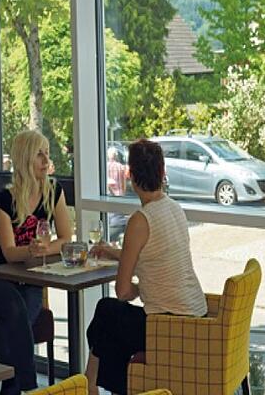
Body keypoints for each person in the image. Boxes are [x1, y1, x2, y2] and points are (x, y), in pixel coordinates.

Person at [85, 139, 207, 395]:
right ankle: (95, 386)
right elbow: (154, 256)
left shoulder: (140, 220)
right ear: (162, 172)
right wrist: (113, 252)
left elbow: (122, 292)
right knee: (107, 325)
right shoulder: (174, 208)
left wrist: (143, 289)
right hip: (195, 320)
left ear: (130, 175)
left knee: (106, 312)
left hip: (167, 327)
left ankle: (92, 385)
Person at [0, 130, 71, 395]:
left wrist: (45, 248)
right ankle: (30, 388)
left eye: (47, 153)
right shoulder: (4, 199)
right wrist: (30, 250)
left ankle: (10, 390)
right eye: (39, 154)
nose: (46, 160)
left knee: (11, 323)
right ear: (24, 158)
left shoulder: (54, 192)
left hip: (31, 280)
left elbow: (66, 238)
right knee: (15, 308)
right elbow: (9, 252)